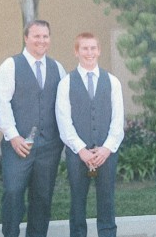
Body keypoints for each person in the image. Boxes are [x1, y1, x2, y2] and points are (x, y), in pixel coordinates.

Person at [0, 20, 66, 237]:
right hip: (18, 145)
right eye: (36, 36)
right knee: (13, 193)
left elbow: (63, 107)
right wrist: (13, 136)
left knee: (42, 198)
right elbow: (0, 102)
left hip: (49, 146)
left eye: (45, 36)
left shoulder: (58, 68)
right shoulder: (10, 65)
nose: (41, 40)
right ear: (26, 38)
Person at [56, 32, 124, 237]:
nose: (89, 52)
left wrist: (106, 149)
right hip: (78, 154)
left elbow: (118, 120)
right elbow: (64, 121)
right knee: (77, 202)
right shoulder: (66, 83)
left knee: (106, 200)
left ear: (99, 51)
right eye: (84, 48)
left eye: (93, 48)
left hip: (106, 152)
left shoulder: (112, 82)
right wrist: (81, 150)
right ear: (76, 52)